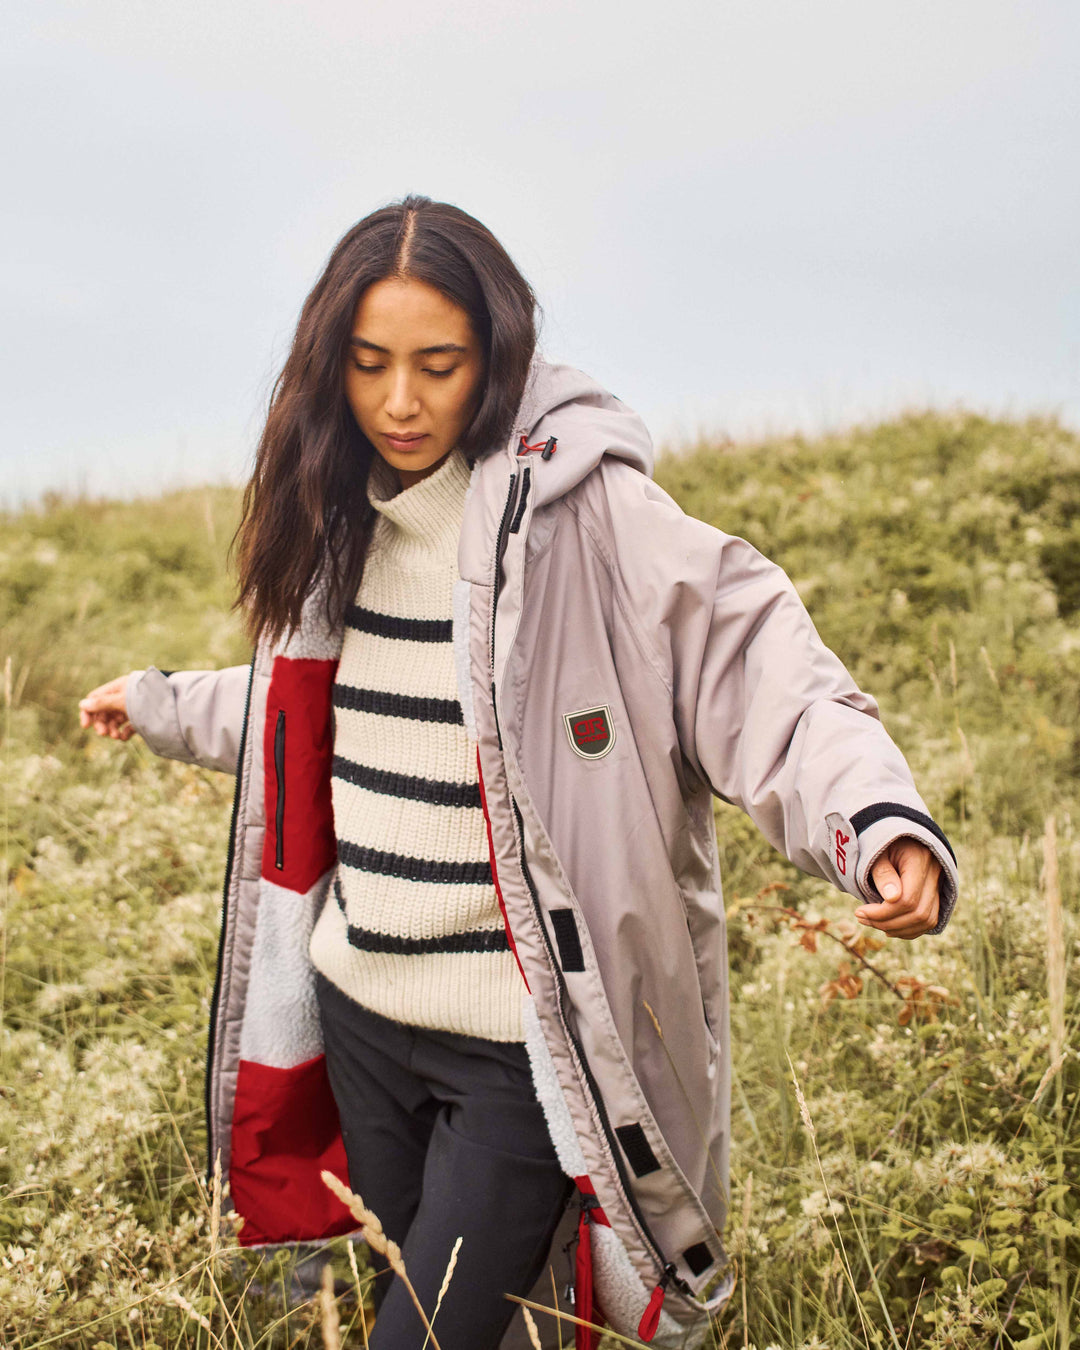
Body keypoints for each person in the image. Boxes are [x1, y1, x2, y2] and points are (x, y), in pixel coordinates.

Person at [79, 195, 958, 1350]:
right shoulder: (334, 523)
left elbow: (758, 665)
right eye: (370, 364)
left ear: (495, 357)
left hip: (516, 1046)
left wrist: (873, 818)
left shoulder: (588, 521)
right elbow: (320, 717)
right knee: (492, 1329)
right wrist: (158, 703)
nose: (401, 402)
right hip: (361, 1018)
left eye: (438, 366)